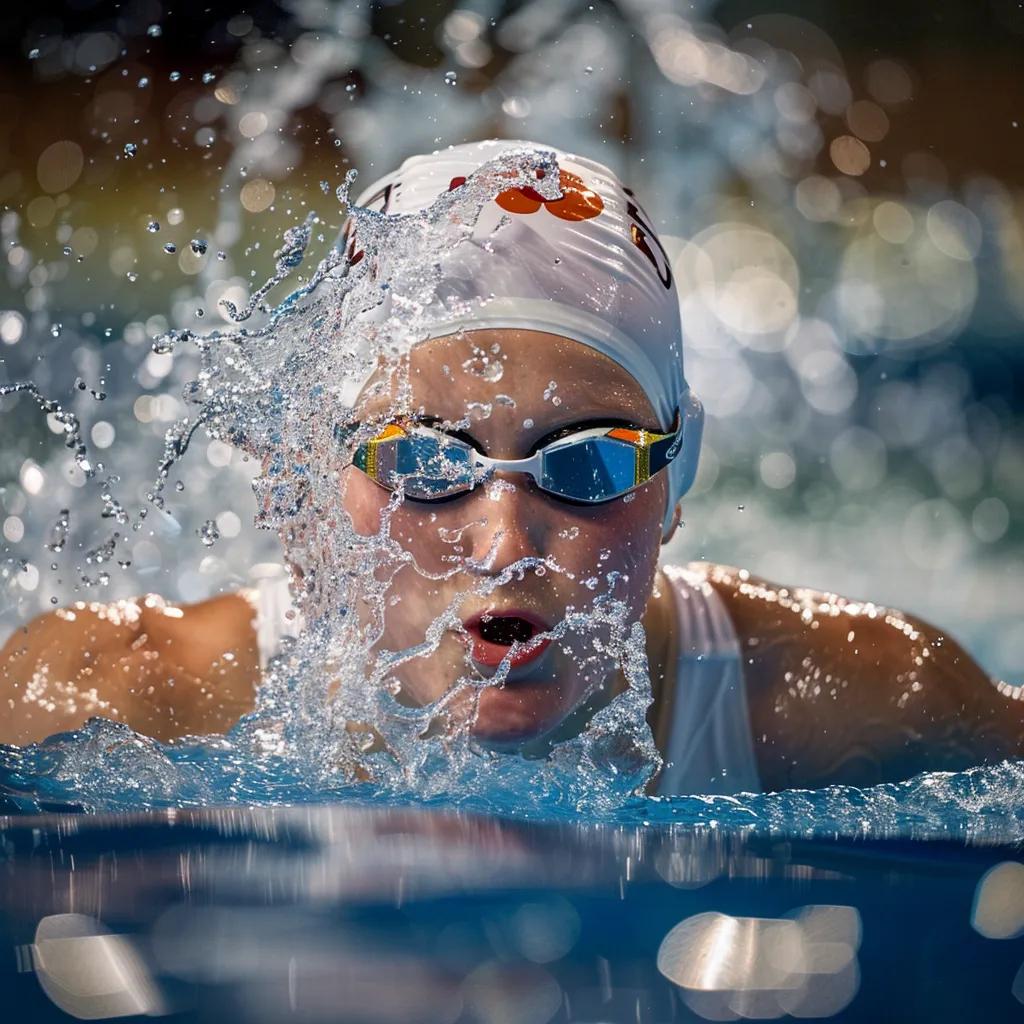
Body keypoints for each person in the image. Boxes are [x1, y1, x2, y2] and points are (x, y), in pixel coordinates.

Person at [2, 139, 1022, 795]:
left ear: (677, 479)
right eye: (422, 460)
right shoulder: (118, 702)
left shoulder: (854, 703)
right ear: (308, 478)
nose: (501, 542)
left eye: (586, 464)